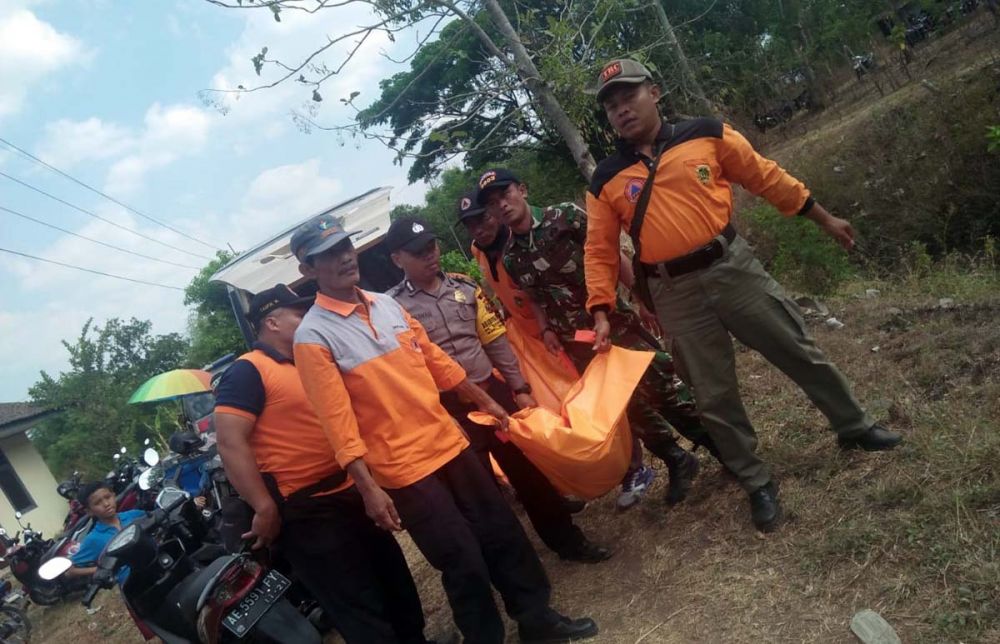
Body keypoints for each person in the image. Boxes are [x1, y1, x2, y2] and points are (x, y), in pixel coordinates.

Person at [583, 58, 903, 532]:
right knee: (713, 395)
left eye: (628, 96)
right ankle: (756, 480)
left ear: (654, 92)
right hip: (674, 292)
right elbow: (599, 248)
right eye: (611, 106)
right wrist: (601, 309)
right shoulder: (605, 177)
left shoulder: (707, 133)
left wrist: (823, 217)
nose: (621, 110)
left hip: (732, 267)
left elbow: (764, 175)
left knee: (796, 347)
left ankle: (854, 426)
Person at [289, 214, 598, 644]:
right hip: (405, 468)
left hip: (449, 441)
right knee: (462, 559)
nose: (343, 258)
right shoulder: (313, 337)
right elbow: (336, 420)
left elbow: (437, 361)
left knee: (502, 533)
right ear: (307, 271)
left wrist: (488, 400)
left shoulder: (387, 305)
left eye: (345, 247)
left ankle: (536, 619)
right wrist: (367, 488)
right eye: (327, 255)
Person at [477, 168, 719, 511]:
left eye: (505, 195)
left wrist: (641, 297)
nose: (501, 205)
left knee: (665, 392)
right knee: (626, 409)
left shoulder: (565, 217)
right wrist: (546, 329)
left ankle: (723, 449)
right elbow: (535, 298)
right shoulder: (513, 256)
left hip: (617, 326)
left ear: (523, 189)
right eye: (492, 203)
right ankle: (677, 459)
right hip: (578, 344)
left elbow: (609, 254)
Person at [386, 215, 611, 563]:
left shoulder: (464, 287)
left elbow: (495, 342)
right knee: (483, 493)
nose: (430, 255)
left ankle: (568, 542)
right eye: (418, 252)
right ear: (397, 259)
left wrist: (519, 388)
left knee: (529, 471)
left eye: (431, 246)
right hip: (449, 410)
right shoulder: (392, 310)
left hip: (494, 396)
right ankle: (517, 562)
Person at [213, 284, 430, 644]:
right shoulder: (249, 371)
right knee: (355, 598)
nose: (309, 317)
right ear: (272, 322)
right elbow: (228, 440)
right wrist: (263, 505)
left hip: (352, 488)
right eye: (298, 313)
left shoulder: (311, 359)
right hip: (309, 509)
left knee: (393, 576)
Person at [67, 482, 145, 581]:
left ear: (114, 495)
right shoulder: (94, 539)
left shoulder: (134, 515)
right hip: (133, 582)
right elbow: (70, 571)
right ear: (90, 511)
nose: (106, 504)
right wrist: (101, 569)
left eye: (107, 497)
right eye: (97, 503)